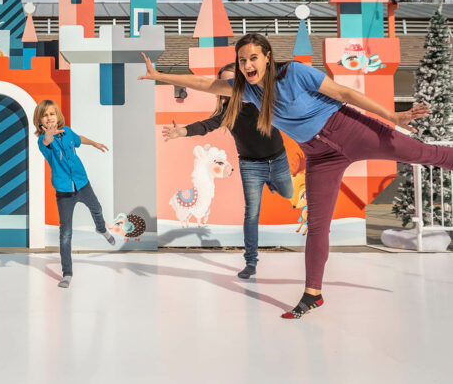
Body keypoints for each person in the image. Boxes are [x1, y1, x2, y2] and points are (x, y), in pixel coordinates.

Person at [139, 33, 453, 319]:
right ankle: (313, 293)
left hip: (352, 131)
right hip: (320, 156)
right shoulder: (246, 90)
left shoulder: (293, 73)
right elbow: (207, 85)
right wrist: (159, 75)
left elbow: (344, 92)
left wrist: (392, 115)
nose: (247, 65)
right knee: (317, 225)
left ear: (266, 57)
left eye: (253, 58)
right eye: (242, 60)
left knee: (426, 154)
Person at [163, 62, 293, 279]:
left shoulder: (262, 98)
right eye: (225, 83)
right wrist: (183, 131)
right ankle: (251, 262)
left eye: (233, 81)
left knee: (288, 193)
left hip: (278, 160)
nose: (230, 86)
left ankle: (272, 182)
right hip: (251, 165)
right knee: (251, 213)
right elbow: (206, 125)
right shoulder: (227, 113)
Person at [33, 99, 116, 288]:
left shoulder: (68, 132)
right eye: (45, 116)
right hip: (64, 193)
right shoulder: (43, 141)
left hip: (82, 184)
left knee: (97, 208)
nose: (49, 118)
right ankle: (67, 273)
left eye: (52, 114)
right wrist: (48, 135)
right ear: (40, 121)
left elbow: (79, 139)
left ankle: (101, 229)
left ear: (58, 116)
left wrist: (94, 143)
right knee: (66, 234)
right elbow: (47, 141)